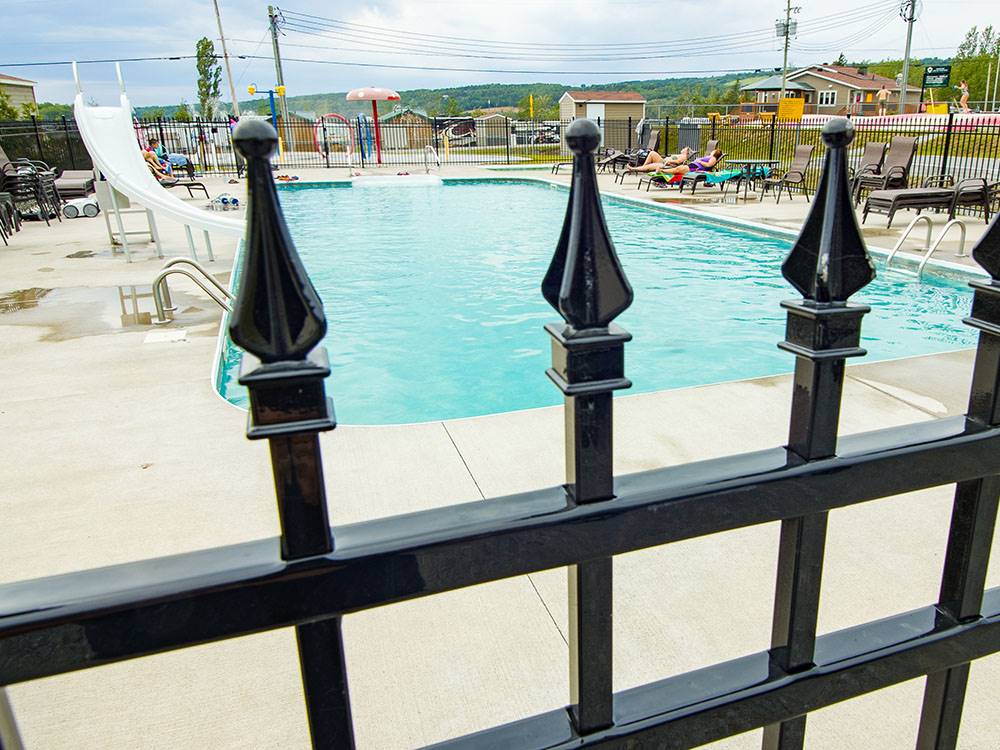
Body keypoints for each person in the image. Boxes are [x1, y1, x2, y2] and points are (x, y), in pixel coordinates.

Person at [625, 146, 693, 173]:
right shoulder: (681, 155)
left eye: (684, 148)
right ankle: (642, 168)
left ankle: (634, 169)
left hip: (666, 164)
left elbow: (678, 162)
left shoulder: (684, 156)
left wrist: (669, 161)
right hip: (664, 161)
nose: (682, 148)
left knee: (650, 163)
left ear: (686, 151)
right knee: (652, 153)